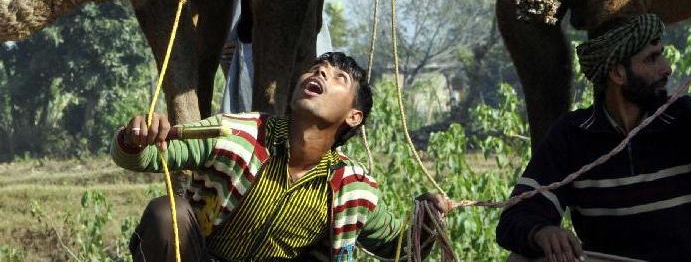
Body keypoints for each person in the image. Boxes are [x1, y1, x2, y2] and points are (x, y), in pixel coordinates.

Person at [112, 52, 451, 261]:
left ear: (353, 117)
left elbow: (400, 249)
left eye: (338, 77)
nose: (319, 74)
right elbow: (144, 157)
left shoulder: (353, 189)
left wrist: (428, 218)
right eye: (317, 68)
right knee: (165, 214)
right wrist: (136, 140)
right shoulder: (237, 135)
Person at [496, 12, 691, 262]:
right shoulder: (572, 135)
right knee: (521, 260)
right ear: (618, 73)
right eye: (652, 58)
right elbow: (515, 216)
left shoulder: (683, 117)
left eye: (661, 54)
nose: (667, 68)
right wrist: (541, 231)